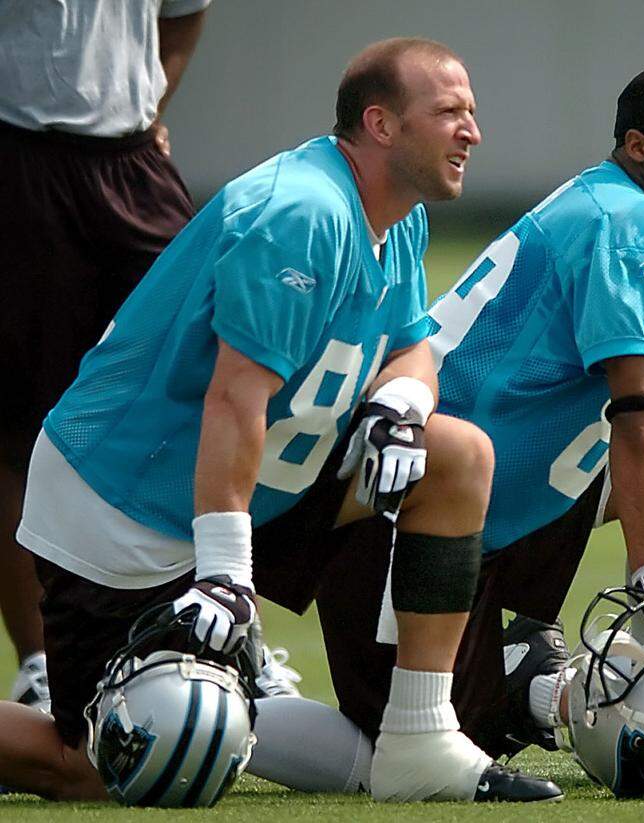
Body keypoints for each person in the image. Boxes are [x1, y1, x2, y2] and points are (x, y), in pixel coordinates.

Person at [0, 37, 559, 804]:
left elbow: (414, 347)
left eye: (472, 113)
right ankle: (204, 688)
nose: (473, 131)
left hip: (249, 482)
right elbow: (233, 397)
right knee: (109, 764)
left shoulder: (395, 215)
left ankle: (417, 738)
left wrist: (401, 403)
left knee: (452, 453)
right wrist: (229, 575)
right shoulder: (300, 213)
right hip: (127, 502)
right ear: (382, 125)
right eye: (450, 112)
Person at [252, 62, 644, 797]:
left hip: (509, 483)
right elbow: (641, 410)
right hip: (413, 508)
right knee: (409, 750)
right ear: (638, 146)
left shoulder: (634, 214)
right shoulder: (625, 220)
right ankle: (209, 707)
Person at [0, 0, 211, 715]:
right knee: (18, 424)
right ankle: (40, 662)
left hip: (132, 165)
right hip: (16, 158)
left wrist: (153, 100)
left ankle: (210, 635)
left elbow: (183, 15)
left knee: (202, 391)